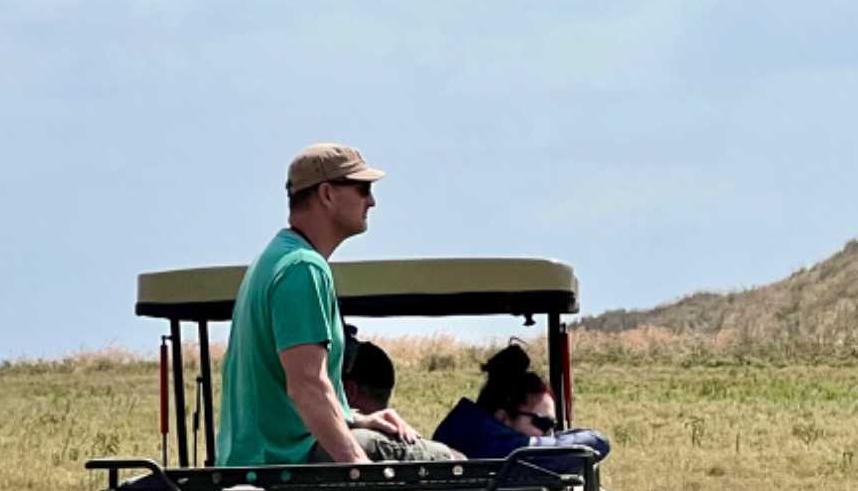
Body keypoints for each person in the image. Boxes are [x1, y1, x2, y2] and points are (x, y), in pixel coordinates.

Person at [218, 144, 453, 466]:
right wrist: (358, 467)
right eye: (363, 189)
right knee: (453, 463)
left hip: (266, 462)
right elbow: (307, 386)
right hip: (289, 464)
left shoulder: (277, 258)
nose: (372, 201)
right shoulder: (303, 267)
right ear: (327, 194)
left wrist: (355, 418)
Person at [431, 343, 611, 465]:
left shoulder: (466, 429)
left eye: (553, 426)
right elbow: (597, 443)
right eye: (543, 423)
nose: (549, 434)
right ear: (503, 417)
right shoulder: (494, 444)